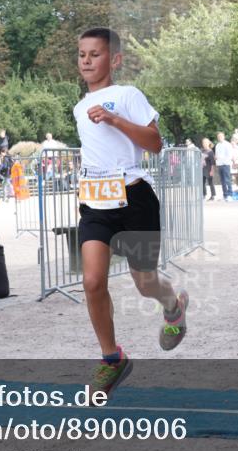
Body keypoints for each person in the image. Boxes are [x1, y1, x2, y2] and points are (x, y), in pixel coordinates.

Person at [72, 27, 188, 397]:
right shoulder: (78, 107)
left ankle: (174, 306)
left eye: (95, 54)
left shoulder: (127, 95)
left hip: (134, 198)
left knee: (145, 283)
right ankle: (112, 359)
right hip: (95, 204)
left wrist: (115, 119)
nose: (87, 60)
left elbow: (155, 143)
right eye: (82, 55)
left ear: (115, 60)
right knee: (91, 282)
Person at [214, 131, 235, 201]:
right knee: (222, 181)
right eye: (218, 137)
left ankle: (230, 194)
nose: (219, 138)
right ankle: (225, 195)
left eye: (220, 136)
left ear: (223, 136)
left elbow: (229, 155)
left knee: (227, 180)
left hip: (226, 164)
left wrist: (219, 157)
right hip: (219, 164)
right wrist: (217, 160)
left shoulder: (227, 144)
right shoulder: (217, 145)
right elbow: (216, 155)